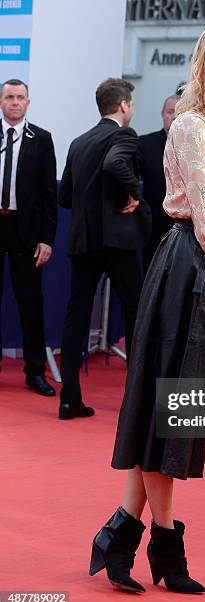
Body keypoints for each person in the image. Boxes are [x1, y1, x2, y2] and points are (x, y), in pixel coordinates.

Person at [89, 22, 205, 595]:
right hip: (188, 269)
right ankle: (165, 546)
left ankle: (120, 535)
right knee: (173, 414)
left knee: (176, 413)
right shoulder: (189, 125)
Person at [58, 78, 151, 420]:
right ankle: (137, 403)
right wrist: (133, 193)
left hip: (83, 241)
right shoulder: (124, 135)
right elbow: (115, 164)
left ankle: (69, 398)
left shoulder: (79, 142)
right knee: (135, 314)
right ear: (124, 105)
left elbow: (64, 196)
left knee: (76, 316)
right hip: (118, 240)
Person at [0, 79, 57, 396]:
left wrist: (46, 239)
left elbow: (50, 195)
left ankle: (35, 371)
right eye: (9, 97)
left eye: (20, 97)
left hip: (27, 232)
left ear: (28, 103)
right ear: (1, 101)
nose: (14, 102)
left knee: (30, 304)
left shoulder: (42, 139)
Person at [137, 94, 179, 270]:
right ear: (163, 115)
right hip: (153, 226)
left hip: (185, 227)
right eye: (170, 112)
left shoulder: (197, 146)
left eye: (180, 113)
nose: (175, 117)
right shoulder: (145, 143)